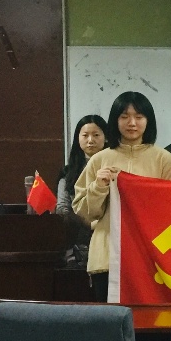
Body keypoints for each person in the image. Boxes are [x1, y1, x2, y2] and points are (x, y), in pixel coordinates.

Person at [73, 91, 171, 300]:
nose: (132, 123)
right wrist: (98, 186)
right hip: (107, 257)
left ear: (148, 121)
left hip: (150, 257)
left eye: (139, 117)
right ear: (115, 121)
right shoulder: (99, 160)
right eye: (124, 117)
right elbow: (84, 212)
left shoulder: (164, 160)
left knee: (148, 318)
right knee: (109, 318)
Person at [56, 113, 108, 270]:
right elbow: (62, 208)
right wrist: (86, 222)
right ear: (78, 139)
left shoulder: (114, 169)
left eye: (96, 135)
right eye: (85, 135)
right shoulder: (68, 173)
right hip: (77, 241)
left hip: (109, 237)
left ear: (106, 138)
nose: (90, 140)